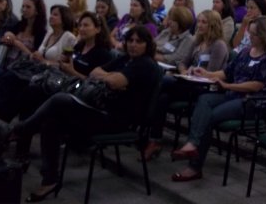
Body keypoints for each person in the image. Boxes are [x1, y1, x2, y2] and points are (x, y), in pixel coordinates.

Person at [12, 26, 160, 202]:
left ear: (147, 44)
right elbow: (94, 72)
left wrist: (112, 78)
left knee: (60, 100)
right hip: (101, 109)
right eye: (130, 41)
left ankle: (21, 130)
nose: (133, 45)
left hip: (117, 121)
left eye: (139, 42)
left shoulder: (145, 64)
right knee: (51, 120)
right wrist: (113, 76)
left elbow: (113, 82)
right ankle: (49, 179)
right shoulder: (126, 59)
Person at [170, 17, 266, 182]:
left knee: (209, 117)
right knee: (204, 100)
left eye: (254, 34)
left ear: (264, 35)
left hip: (252, 102)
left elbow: (256, 85)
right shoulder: (245, 52)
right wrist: (207, 74)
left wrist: (227, 86)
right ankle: (192, 144)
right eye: (250, 33)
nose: (250, 36)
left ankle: (194, 167)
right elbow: (227, 72)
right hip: (233, 94)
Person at [14, 11, 114, 165]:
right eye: (80, 25)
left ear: (98, 29)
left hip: (81, 94)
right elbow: (66, 68)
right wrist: (62, 65)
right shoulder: (78, 47)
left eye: (86, 25)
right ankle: (21, 145)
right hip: (66, 84)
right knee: (30, 90)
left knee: (38, 98)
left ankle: (21, 133)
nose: (82, 29)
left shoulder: (103, 54)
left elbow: (95, 86)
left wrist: (71, 71)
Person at [143, 10, 229, 160]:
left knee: (163, 81)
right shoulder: (197, 41)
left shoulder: (219, 45)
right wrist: (184, 71)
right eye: (199, 21)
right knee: (163, 98)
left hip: (204, 88)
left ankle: (142, 117)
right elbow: (182, 63)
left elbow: (212, 73)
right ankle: (154, 140)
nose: (199, 25)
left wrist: (196, 72)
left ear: (213, 25)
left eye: (204, 22)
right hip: (189, 83)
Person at [0, 0, 47, 113]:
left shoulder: (41, 33)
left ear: (37, 10)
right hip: (6, 61)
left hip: (22, 68)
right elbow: (6, 36)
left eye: (28, 7)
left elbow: (35, 57)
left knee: (2, 78)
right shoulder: (19, 25)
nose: (24, 9)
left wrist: (19, 44)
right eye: (23, 6)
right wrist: (8, 36)